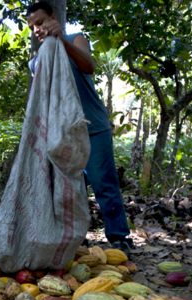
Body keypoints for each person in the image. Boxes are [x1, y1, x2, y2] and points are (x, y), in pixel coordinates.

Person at [26, 1, 135, 252]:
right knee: (68, 189)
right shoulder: (36, 61)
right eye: (32, 27)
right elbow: (38, 102)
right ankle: (74, 237)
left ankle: (119, 237)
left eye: (41, 22)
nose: (37, 30)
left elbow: (89, 66)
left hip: (91, 126)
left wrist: (61, 40)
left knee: (104, 184)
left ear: (53, 17)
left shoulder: (75, 39)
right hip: (60, 134)